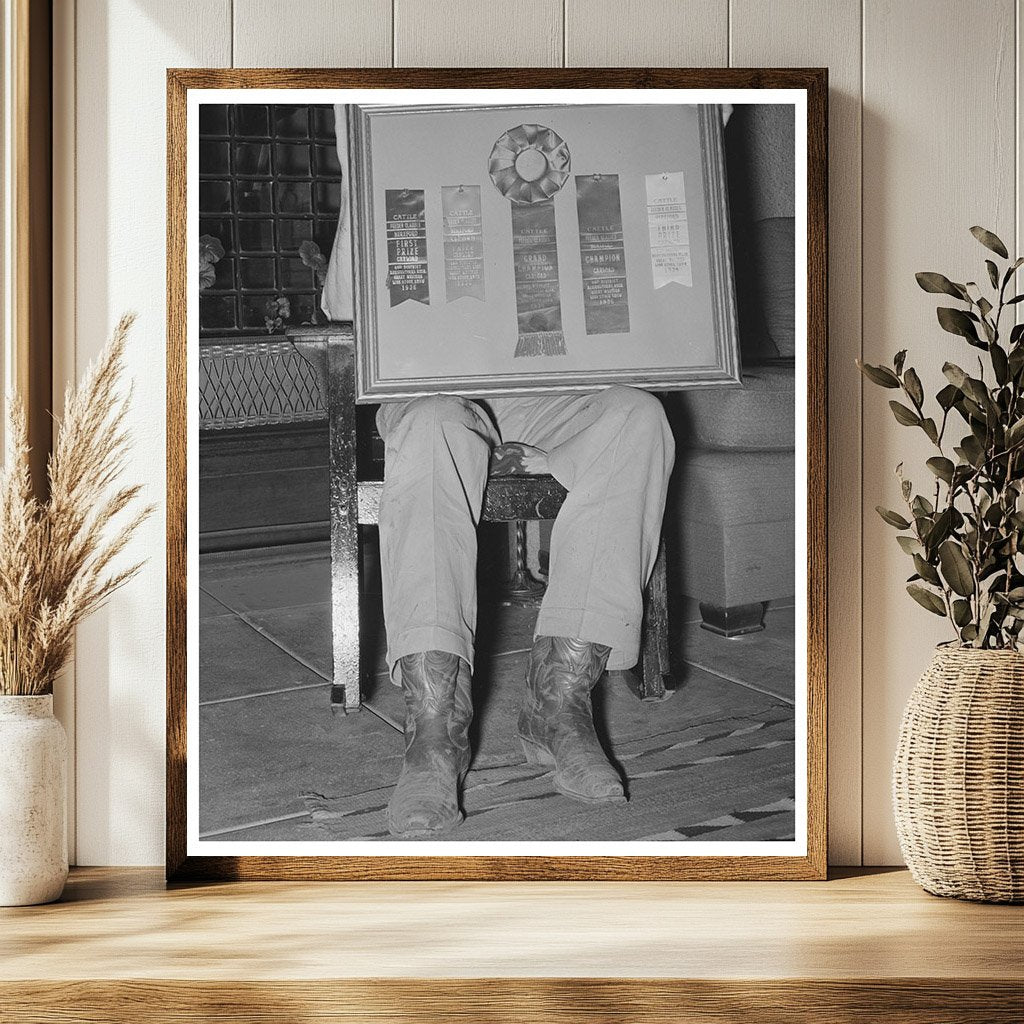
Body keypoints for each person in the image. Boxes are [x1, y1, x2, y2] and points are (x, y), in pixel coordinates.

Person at [375, 389, 674, 837]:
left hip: (549, 397)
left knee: (640, 414)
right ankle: (435, 733)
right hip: (432, 393)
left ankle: (558, 709)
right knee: (432, 420)